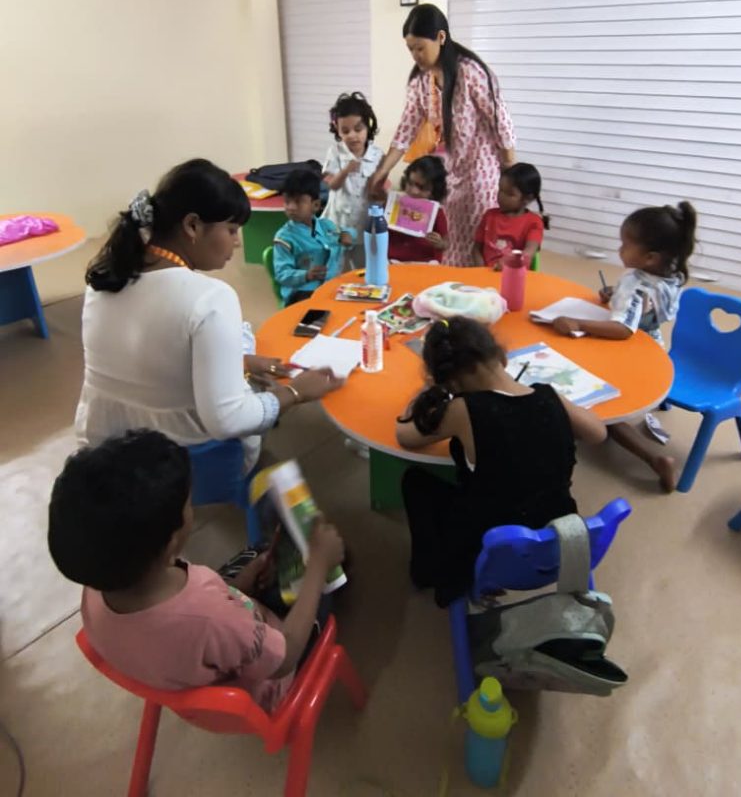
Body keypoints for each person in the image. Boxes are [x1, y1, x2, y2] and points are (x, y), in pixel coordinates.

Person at [48, 431, 344, 711]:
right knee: (325, 579)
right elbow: (285, 657)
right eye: (188, 505)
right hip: (266, 679)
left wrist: (236, 587)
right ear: (171, 543)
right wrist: (318, 564)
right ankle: (327, 569)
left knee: (262, 553)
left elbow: (205, 613)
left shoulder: (97, 586)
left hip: (200, 645)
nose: (191, 509)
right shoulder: (211, 621)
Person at [77, 159, 339, 463]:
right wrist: (297, 392)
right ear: (192, 226)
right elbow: (228, 419)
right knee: (252, 365)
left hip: (104, 451)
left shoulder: (104, 281)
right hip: (186, 461)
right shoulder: (210, 298)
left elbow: (154, 361)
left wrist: (239, 361)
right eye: (231, 230)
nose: (237, 243)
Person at [395, 317, 607, 606]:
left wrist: (425, 392)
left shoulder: (463, 410)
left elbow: (405, 435)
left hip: (495, 545)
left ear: (451, 382)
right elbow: (598, 433)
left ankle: (431, 573)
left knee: (415, 481)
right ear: (503, 357)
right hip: (558, 538)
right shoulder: (548, 395)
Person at [551, 201, 698, 492]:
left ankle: (654, 459)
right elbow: (646, 309)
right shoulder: (673, 274)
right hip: (653, 350)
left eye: (625, 245)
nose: (619, 250)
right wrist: (616, 294)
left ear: (650, 258)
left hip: (628, 357)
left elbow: (622, 329)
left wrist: (579, 324)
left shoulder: (636, 284)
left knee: (589, 398)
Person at [369, 4, 516, 265]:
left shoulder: (470, 72)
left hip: (481, 171)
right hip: (450, 171)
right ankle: (450, 296)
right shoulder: (420, 81)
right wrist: (381, 172)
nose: (415, 55)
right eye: (410, 49)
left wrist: (511, 172)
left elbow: (500, 122)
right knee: (449, 242)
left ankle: (478, 295)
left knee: (477, 245)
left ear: (441, 37)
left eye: (420, 48)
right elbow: (405, 130)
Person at [273, 168, 355, 306]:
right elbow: (281, 274)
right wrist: (306, 275)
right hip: (302, 293)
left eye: (298, 202)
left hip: (331, 286)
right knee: (321, 317)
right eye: (287, 202)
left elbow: (346, 233)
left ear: (316, 205)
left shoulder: (327, 226)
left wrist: (347, 236)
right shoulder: (284, 238)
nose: (291, 207)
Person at [322, 91, 384, 268]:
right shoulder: (335, 152)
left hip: (364, 223)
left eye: (358, 129)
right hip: (338, 224)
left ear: (368, 126)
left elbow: (380, 187)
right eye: (345, 131)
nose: (352, 135)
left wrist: (381, 195)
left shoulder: (378, 155)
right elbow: (332, 185)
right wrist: (346, 171)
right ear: (337, 130)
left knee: (363, 268)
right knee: (336, 268)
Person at [473, 162, 548, 270]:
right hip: (486, 276)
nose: (501, 196)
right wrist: (481, 271)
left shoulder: (534, 223)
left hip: (515, 277)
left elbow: (528, 254)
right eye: (500, 190)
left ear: (527, 198)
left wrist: (510, 263)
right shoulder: (489, 216)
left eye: (509, 194)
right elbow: (476, 249)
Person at [388, 155, 449, 264]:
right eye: (410, 183)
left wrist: (439, 243)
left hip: (424, 263)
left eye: (422, 187)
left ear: (434, 191)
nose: (414, 191)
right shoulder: (394, 203)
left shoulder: (437, 212)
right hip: (394, 261)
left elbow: (446, 243)